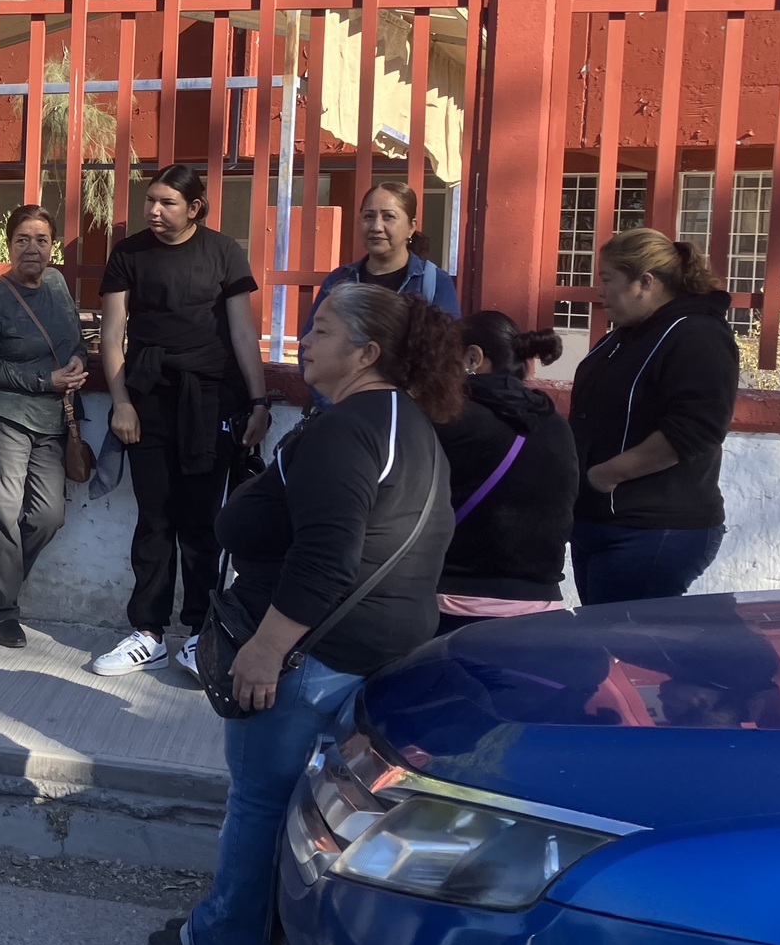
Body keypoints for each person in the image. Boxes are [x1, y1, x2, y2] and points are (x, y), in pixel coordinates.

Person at [150, 285, 460, 945]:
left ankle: (225, 942)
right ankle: (294, 934)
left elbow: (327, 557)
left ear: (366, 352)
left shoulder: (348, 430)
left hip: (312, 657)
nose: (304, 340)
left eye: (321, 330)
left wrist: (266, 648)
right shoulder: (405, 424)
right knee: (321, 809)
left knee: (262, 799)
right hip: (369, 650)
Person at [91, 164, 270, 677]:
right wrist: (121, 402)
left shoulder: (222, 252)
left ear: (195, 208)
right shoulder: (128, 253)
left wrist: (258, 403)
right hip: (148, 397)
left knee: (200, 522)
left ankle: (199, 633)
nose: (153, 211)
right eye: (150, 200)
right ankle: (146, 633)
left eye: (167, 202)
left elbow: (242, 333)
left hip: (211, 401)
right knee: (153, 519)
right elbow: (112, 335)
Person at [569, 228, 738, 606]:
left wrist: (607, 474)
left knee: (628, 650)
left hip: (655, 527)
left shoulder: (697, 334)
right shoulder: (625, 335)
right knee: (601, 646)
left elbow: (695, 429)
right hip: (601, 521)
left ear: (644, 282)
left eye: (607, 280)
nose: (600, 292)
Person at [0, 204, 88, 649]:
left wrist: (78, 362)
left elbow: (75, 341)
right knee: (2, 513)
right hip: (1, 415)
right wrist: (43, 380)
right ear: (9, 245)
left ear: (51, 246)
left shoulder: (56, 285)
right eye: (22, 240)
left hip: (51, 418)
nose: (32, 248)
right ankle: (3, 611)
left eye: (41, 240)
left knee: (48, 516)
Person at [434, 312, 578, 630]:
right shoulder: (556, 423)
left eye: (445, 360)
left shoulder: (451, 419)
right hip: (542, 605)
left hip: (457, 604)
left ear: (473, 357)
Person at [308, 180, 461, 321]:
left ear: (411, 227)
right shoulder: (338, 280)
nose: (376, 227)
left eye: (388, 216)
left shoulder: (434, 283)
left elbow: (448, 346)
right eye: (369, 216)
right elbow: (311, 342)